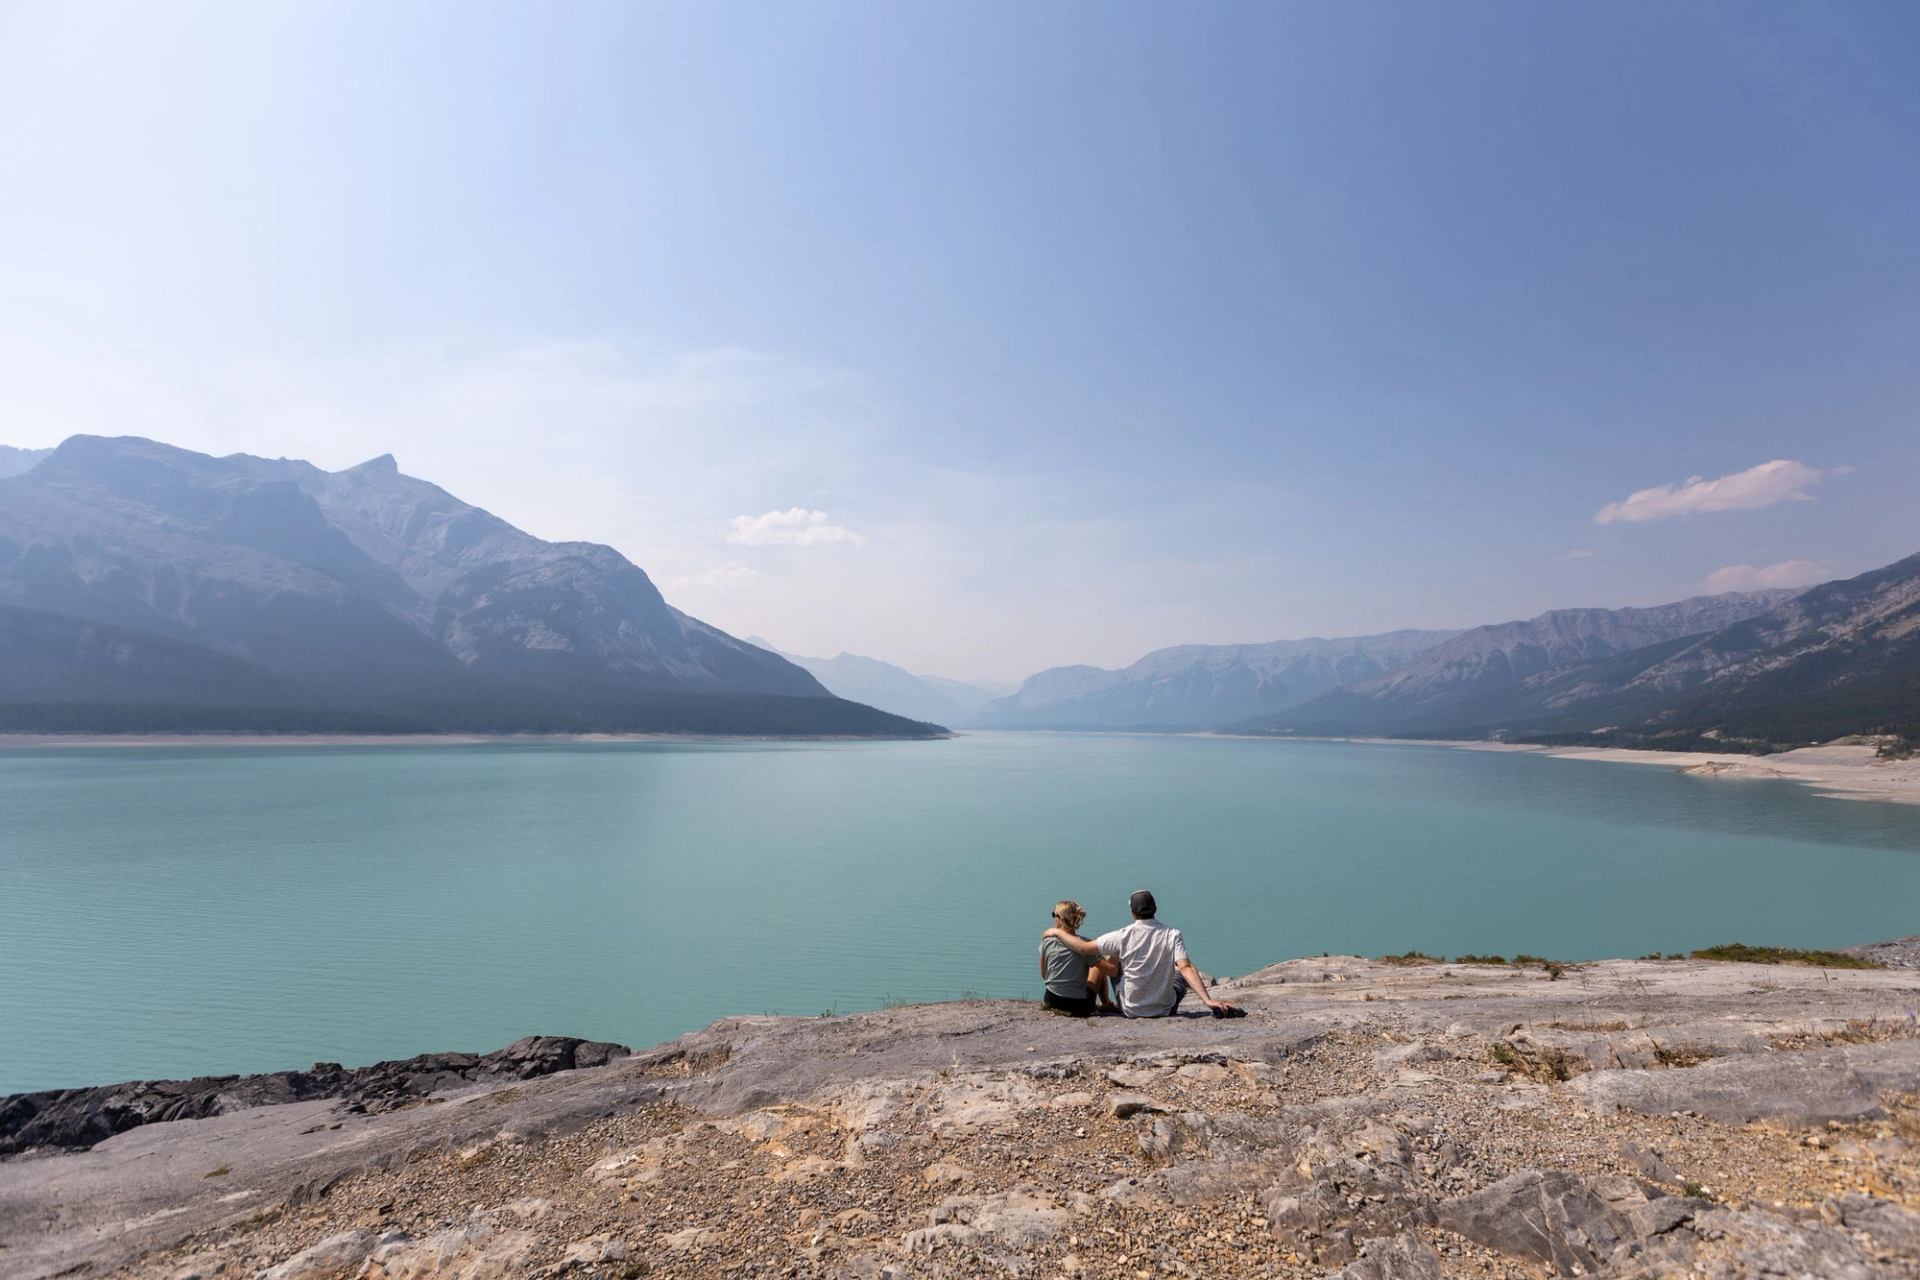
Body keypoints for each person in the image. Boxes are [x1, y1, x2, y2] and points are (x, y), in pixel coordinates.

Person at [1042, 890, 1239, 1018]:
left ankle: (1108, 1002)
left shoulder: (1122, 935)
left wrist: (1057, 932)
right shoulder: (1173, 934)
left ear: (1133, 912)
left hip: (1130, 1008)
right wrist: (1207, 1001)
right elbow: (1186, 967)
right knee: (1179, 973)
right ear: (1155, 909)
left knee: (1113, 961)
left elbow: (1085, 950)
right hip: (1165, 1009)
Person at [1038, 900, 1116, 1016]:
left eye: (1054, 915)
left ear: (1060, 919)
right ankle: (1106, 1003)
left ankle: (1105, 1002)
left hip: (1051, 1000)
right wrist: (1116, 952)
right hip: (1078, 1007)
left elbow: (1044, 974)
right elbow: (1111, 971)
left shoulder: (1047, 941)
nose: (1054, 918)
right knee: (1097, 967)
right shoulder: (1086, 945)